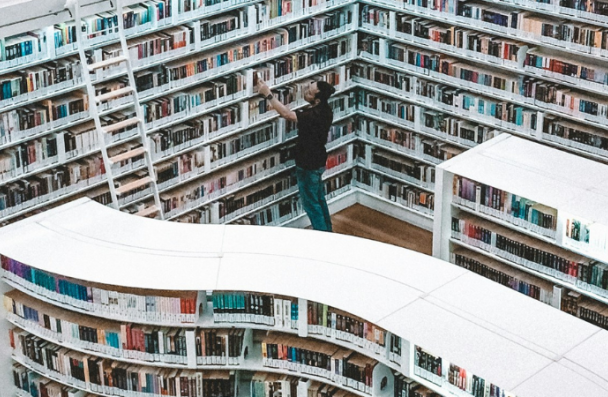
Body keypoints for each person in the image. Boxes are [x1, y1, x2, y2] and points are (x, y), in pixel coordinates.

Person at [257, 79, 336, 232]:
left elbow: (287, 115)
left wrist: (268, 95)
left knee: (311, 204)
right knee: (319, 199)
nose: (305, 91)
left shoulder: (313, 115)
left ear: (317, 100)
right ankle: (329, 233)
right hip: (319, 161)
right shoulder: (327, 110)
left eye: (309, 92)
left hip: (308, 164)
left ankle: (323, 236)